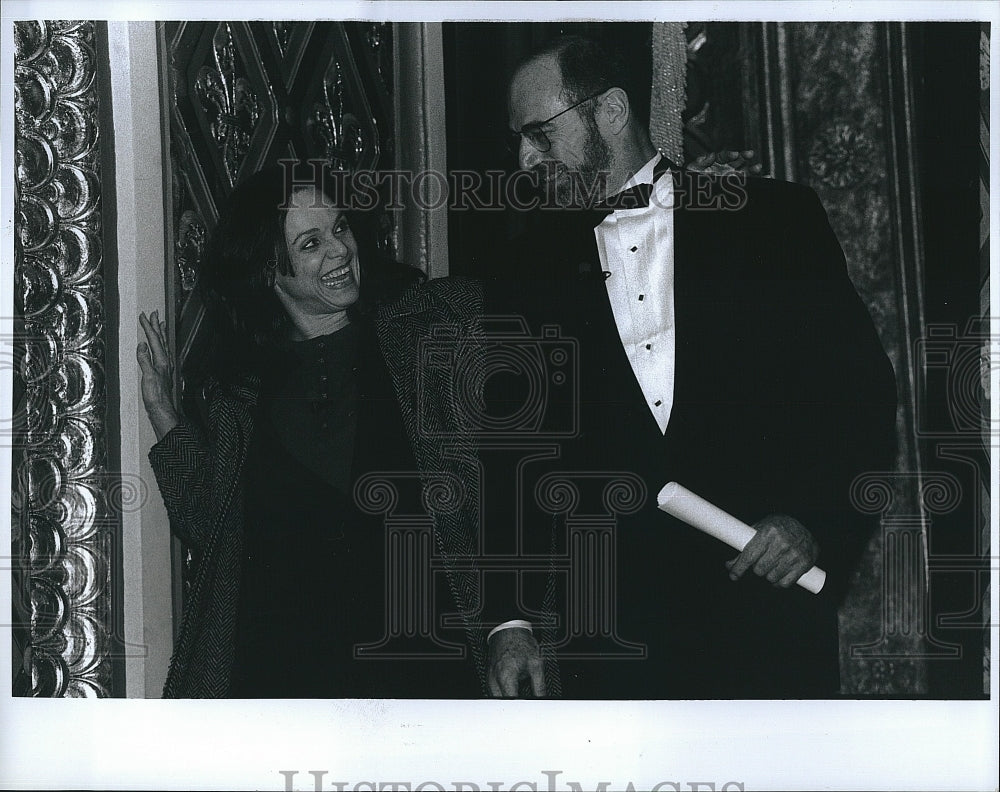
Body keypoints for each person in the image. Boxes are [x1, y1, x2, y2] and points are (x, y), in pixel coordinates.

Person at [483, 35, 898, 698]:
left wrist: (812, 521)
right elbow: (509, 455)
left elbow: (860, 396)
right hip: (616, 638)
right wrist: (509, 620)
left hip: (766, 615)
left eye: (539, 133)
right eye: (520, 140)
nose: (526, 158)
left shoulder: (774, 221)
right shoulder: (521, 274)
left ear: (611, 111)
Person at [138, 163, 484, 698]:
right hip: (285, 681)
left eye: (341, 228)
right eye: (311, 243)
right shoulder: (241, 396)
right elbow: (212, 529)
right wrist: (163, 411)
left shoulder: (422, 337)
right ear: (270, 272)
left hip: (423, 670)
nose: (341, 251)